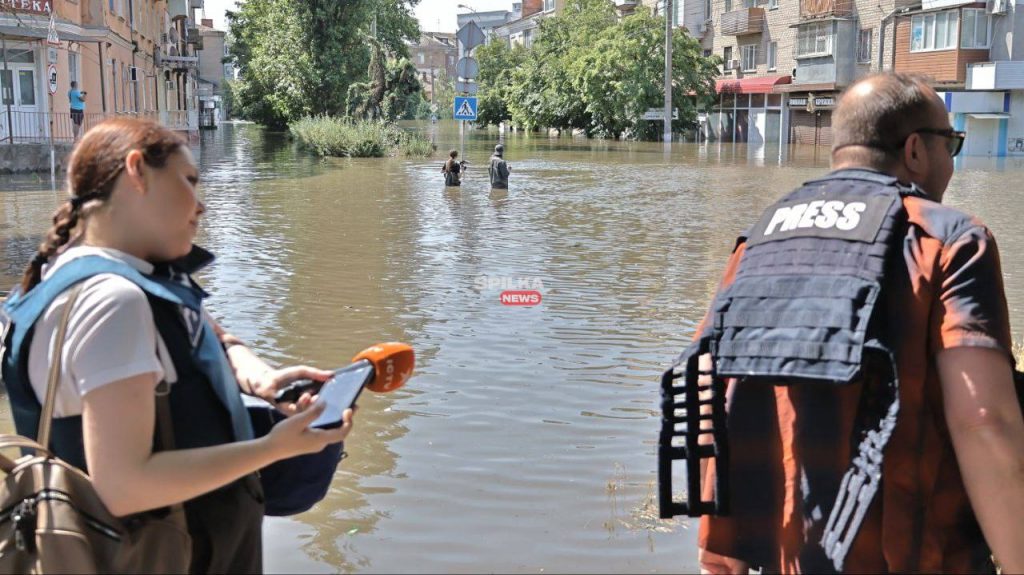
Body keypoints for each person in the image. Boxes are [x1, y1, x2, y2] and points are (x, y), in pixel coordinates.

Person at [687, 73, 1024, 574]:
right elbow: (983, 422)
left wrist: (719, 555)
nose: (953, 160)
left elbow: (708, 390)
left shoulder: (760, 240)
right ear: (915, 149)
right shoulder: (949, 241)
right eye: (951, 143)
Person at [1, 119, 355, 573]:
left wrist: (261, 379)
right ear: (136, 172)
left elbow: (216, 336)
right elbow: (124, 486)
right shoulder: (114, 301)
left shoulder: (85, 277)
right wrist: (274, 449)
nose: (201, 204)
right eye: (188, 181)